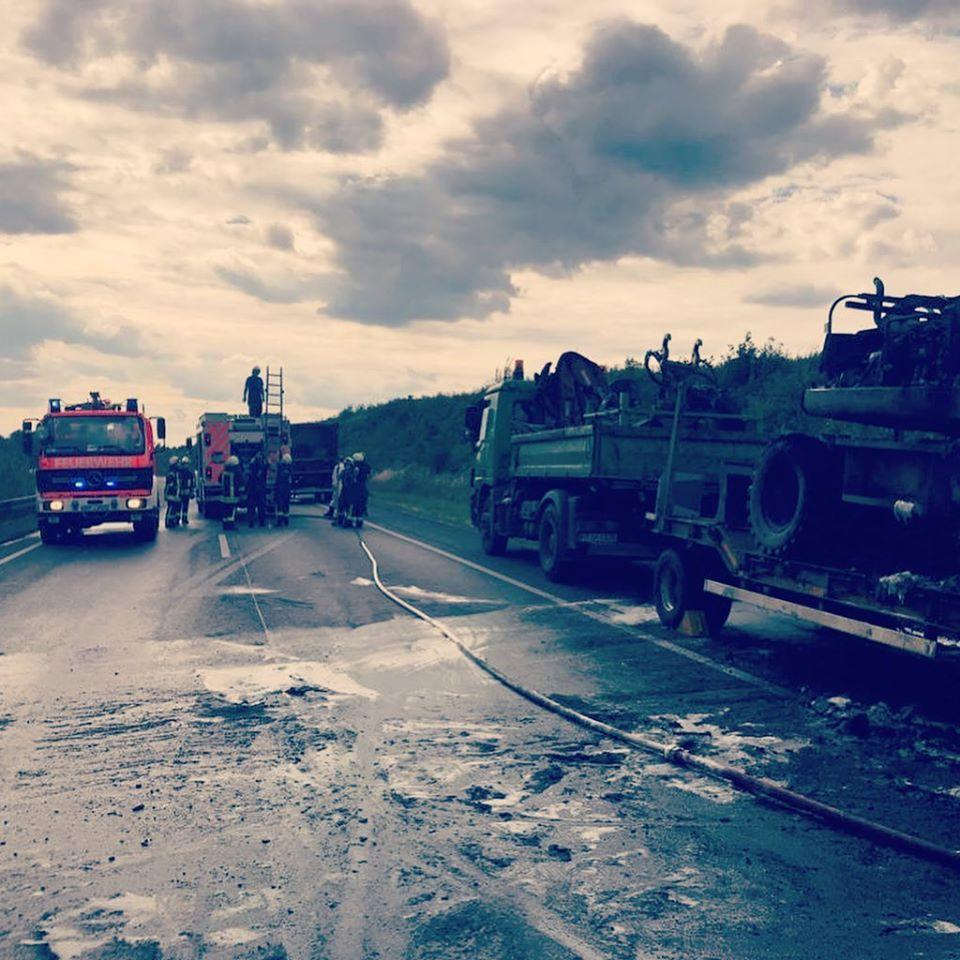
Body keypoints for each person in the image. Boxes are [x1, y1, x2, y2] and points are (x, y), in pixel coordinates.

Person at [246, 452, 267, 528]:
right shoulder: (262, 464)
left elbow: (249, 476)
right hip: (260, 488)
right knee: (261, 506)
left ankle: (251, 522)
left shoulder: (252, 464)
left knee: (251, 506)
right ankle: (262, 522)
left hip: (252, 488)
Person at [221, 455, 241, 529]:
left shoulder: (224, 473)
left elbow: (220, 479)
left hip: (225, 495)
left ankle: (225, 524)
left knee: (226, 510)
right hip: (232, 494)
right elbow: (240, 481)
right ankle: (231, 525)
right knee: (232, 510)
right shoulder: (235, 473)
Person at [164, 454, 181, 528]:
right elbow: (169, 485)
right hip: (171, 494)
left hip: (174, 494)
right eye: (177, 463)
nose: (179, 465)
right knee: (171, 508)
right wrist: (166, 495)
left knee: (174, 508)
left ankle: (173, 521)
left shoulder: (175, 472)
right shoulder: (171, 473)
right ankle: (168, 522)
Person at [275, 453, 292, 527]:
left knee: (280, 505)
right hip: (287, 489)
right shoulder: (289, 468)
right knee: (286, 505)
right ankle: (286, 521)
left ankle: (280, 522)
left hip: (280, 489)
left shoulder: (281, 467)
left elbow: (278, 479)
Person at [178, 456, 195, 525]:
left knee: (184, 506)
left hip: (184, 492)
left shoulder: (181, 472)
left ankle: (183, 518)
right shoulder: (188, 473)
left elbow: (192, 484)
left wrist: (192, 492)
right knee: (182, 506)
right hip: (183, 492)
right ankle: (182, 519)